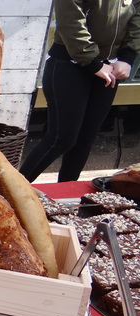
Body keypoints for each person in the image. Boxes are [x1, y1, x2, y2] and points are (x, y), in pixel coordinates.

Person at [19, 0, 140, 183]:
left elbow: (137, 19)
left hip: (108, 69)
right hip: (69, 64)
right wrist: (92, 62)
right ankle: (6, 193)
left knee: (84, 141)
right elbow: (70, 20)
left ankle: (65, 196)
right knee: (61, 139)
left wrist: (127, 57)